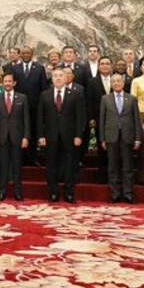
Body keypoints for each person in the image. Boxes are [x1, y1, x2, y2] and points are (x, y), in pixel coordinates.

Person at [38, 68, 86, 203]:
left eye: (61, 76)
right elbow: (40, 117)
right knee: (51, 165)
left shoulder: (75, 95)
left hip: (70, 136)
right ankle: (53, 192)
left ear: (66, 78)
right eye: (55, 76)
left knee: (70, 165)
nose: (58, 78)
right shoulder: (45, 95)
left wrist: (78, 135)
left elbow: (79, 117)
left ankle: (69, 192)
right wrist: (41, 136)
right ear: (51, 79)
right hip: (50, 136)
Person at [99, 74, 141, 203]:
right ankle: (115, 194)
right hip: (111, 136)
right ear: (111, 84)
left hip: (127, 136)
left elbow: (136, 120)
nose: (117, 83)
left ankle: (128, 193)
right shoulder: (105, 98)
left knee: (127, 167)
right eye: (114, 82)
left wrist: (137, 138)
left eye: (119, 81)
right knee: (112, 167)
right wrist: (102, 138)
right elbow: (102, 119)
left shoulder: (132, 99)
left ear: (123, 83)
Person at [0, 72, 30, 201]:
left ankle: (18, 192)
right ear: (2, 83)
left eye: (9, 81)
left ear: (14, 83)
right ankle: (1, 191)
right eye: (5, 81)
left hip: (17, 137)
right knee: (3, 166)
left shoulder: (22, 98)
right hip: (1, 137)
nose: (7, 83)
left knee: (17, 166)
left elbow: (26, 120)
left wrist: (26, 137)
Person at [14, 46, 48, 166]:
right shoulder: (15, 68)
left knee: (33, 132)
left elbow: (44, 88)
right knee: (19, 132)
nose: (25, 55)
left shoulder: (39, 68)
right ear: (20, 55)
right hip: (18, 106)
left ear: (32, 54)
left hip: (35, 106)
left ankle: (32, 158)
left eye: (28, 53)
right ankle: (20, 158)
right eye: (23, 53)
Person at [87, 56, 114, 183]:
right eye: (102, 64)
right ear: (98, 67)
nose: (104, 66)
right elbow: (89, 100)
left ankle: (114, 175)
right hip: (99, 119)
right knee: (102, 148)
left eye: (107, 63)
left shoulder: (117, 80)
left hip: (115, 120)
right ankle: (102, 175)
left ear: (111, 66)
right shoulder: (92, 82)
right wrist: (91, 117)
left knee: (115, 149)